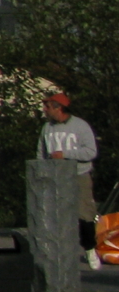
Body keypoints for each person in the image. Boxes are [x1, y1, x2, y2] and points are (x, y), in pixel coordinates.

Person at [39, 91, 100, 265]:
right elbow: (41, 153)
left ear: (58, 108)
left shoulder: (80, 126)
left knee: (84, 214)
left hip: (79, 175)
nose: (45, 109)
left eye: (48, 106)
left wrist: (65, 154)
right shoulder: (47, 128)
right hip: (54, 177)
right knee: (54, 215)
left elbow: (91, 152)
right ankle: (57, 253)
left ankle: (89, 249)